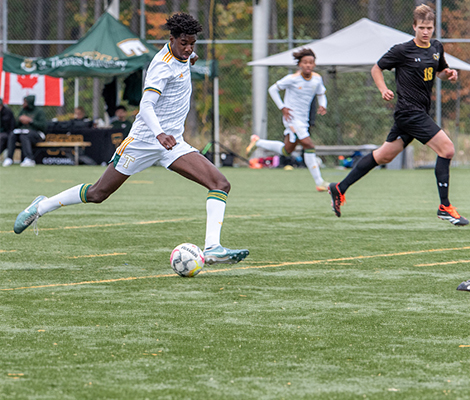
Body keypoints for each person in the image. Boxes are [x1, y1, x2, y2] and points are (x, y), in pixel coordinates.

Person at [13, 13, 249, 265]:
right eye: (184, 43)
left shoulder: (185, 54)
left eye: (193, 43)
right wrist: (159, 133)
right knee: (97, 193)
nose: (189, 48)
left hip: (171, 144)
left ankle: (212, 247)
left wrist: (190, 56)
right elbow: (146, 106)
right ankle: (41, 207)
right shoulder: (161, 66)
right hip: (144, 141)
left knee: (220, 183)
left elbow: (187, 57)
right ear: (172, 39)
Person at [328, 4, 468, 226]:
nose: (425, 31)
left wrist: (447, 74)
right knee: (447, 149)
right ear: (413, 26)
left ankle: (340, 187)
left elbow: (439, 71)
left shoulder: (436, 48)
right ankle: (444, 207)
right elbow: (376, 68)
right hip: (408, 112)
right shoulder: (402, 50)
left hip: (418, 112)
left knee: (383, 156)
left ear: (434, 28)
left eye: (429, 27)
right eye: (421, 27)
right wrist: (383, 89)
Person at [246, 48, 329, 192]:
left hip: (303, 120)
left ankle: (257, 142)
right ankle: (319, 182)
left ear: (314, 64)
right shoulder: (292, 79)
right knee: (309, 145)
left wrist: (323, 105)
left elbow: (321, 93)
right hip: (291, 119)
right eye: (305, 62)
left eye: (311, 62)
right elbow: (273, 89)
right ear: (300, 65)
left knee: (287, 151)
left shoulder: (317, 79)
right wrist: (282, 107)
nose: (308, 65)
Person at [2, 95, 47, 167]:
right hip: (22, 132)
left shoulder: (39, 111)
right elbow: (16, 125)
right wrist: (19, 120)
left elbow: (43, 126)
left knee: (24, 136)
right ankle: (9, 158)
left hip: (36, 134)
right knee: (12, 135)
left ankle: (29, 158)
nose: (23, 104)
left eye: (25, 102)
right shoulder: (23, 111)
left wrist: (30, 121)